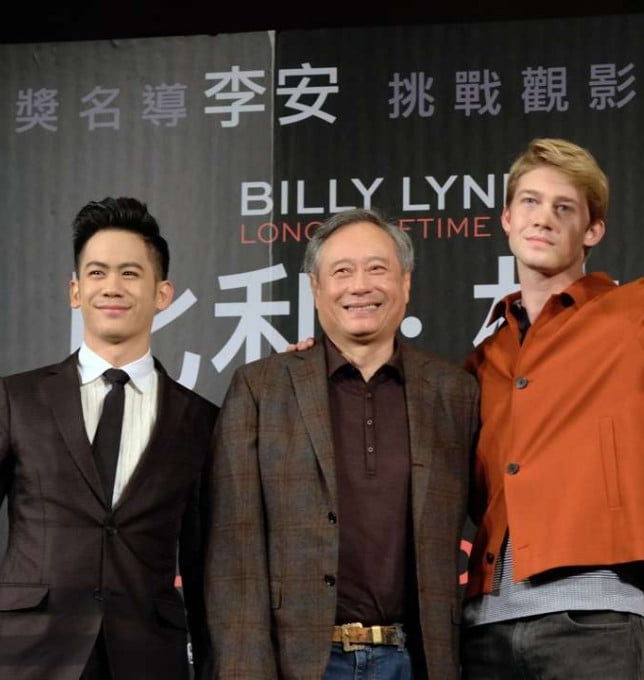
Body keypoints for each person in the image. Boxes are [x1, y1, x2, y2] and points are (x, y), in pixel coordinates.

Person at [460, 29, 644, 679]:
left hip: (592, 623)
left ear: (592, 230)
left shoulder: (642, 315)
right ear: (506, 219)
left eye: (564, 207)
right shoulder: (483, 357)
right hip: (481, 629)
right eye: (530, 202)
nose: (544, 217)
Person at [0, 197, 216, 680]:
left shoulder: (199, 419)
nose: (112, 287)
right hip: (25, 655)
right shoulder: (18, 399)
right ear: (75, 290)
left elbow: (204, 564)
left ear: (162, 293)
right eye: (96, 273)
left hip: (148, 657)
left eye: (130, 273)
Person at [203, 208, 480, 679]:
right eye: (342, 271)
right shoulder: (261, 389)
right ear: (316, 289)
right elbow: (236, 555)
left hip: (416, 661)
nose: (360, 286)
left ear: (405, 283)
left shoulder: (455, 392)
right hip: (300, 664)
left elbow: (499, 509)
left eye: (377, 268)